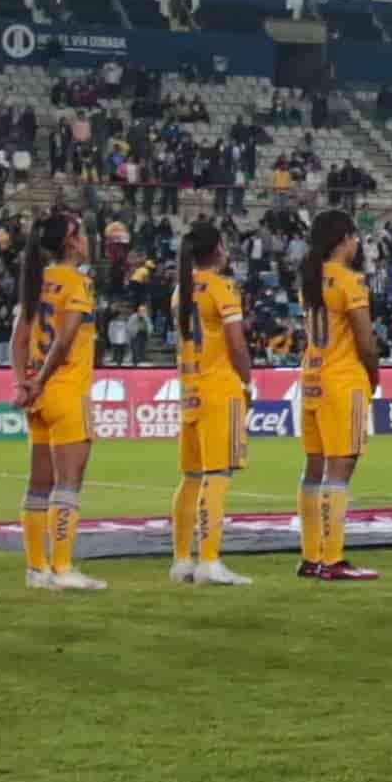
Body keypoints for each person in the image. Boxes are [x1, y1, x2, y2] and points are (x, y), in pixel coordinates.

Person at [12, 207, 106, 591]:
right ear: (71, 240)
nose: (86, 240)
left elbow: (18, 338)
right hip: (66, 390)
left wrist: (25, 383)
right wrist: (43, 380)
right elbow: (66, 339)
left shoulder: (36, 281)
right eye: (81, 233)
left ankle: (37, 568)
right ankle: (63, 567)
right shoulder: (77, 283)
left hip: (38, 395)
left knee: (38, 485)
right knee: (68, 484)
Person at [289, 207, 381, 582]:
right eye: (354, 236)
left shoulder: (310, 279)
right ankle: (333, 559)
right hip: (343, 380)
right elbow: (366, 340)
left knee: (314, 468)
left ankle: (311, 555)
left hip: (312, 378)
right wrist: (373, 376)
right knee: (340, 469)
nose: (357, 242)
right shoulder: (349, 281)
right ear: (342, 240)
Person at [167, 220, 252, 588]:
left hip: (190, 388)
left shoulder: (181, 290)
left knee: (191, 478)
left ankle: (182, 560)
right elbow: (236, 344)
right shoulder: (222, 287)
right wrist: (248, 380)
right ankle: (210, 561)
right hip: (219, 387)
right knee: (218, 476)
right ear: (218, 248)